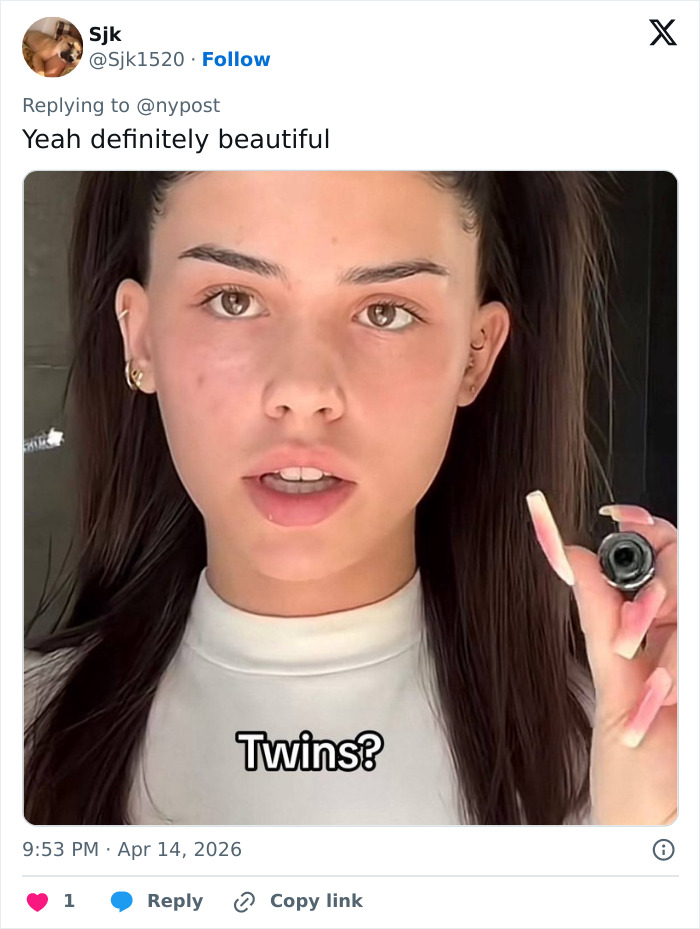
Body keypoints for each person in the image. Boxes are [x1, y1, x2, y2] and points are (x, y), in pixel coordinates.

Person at [24, 172, 678, 825]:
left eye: (385, 311)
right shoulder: (24, 734)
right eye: (233, 300)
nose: (305, 390)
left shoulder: (627, 759)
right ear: (140, 337)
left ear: (476, 355)